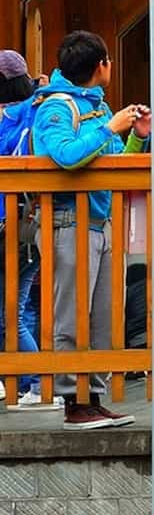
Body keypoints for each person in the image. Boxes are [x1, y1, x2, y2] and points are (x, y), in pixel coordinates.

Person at [32, 32, 150, 430]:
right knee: (71, 316)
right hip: (69, 222)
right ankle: (73, 403)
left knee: (101, 317)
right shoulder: (56, 107)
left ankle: (92, 399)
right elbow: (65, 155)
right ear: (100, 65)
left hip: (100, 223)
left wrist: (137, 135)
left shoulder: (97, 108)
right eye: (109, 60)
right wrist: (112, 129)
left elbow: (117, 164)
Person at [0, 49, 53, 408]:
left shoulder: (10, 117)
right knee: (22, 309)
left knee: (10, 313)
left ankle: (34, 380)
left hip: (9, 226)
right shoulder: (40, 107)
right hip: (31, 224)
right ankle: (29, 382)